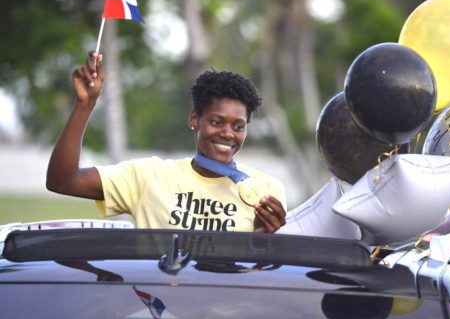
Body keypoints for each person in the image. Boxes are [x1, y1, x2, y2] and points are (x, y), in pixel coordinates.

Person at [46, 52, 287, 233]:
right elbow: (63, 181)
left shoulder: (267, 190)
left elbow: (271, 276)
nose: (228, 134)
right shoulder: (148, 176)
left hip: (231, 302)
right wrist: (84, 105)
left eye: (238, 127)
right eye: (216, 122)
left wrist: (264, 241)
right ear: (195, 119)